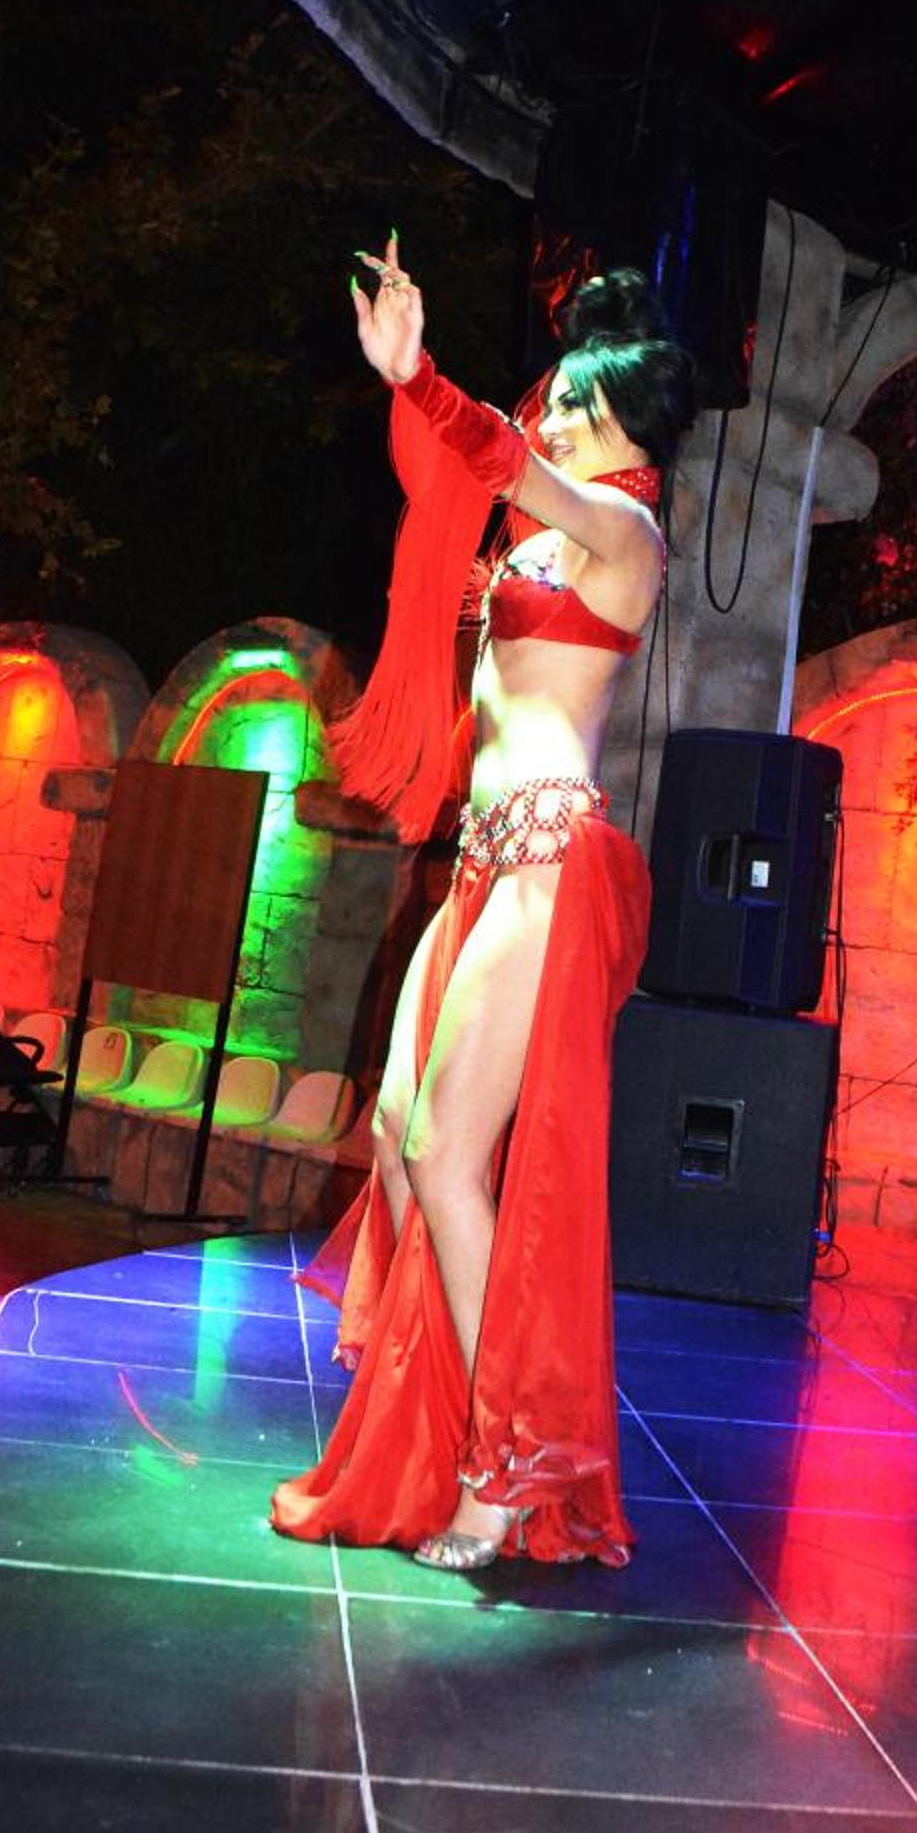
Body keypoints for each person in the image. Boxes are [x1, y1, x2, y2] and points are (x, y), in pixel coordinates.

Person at [271, 236, 694, 1569]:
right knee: (398, 1137)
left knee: (452, 1155)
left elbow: (500, 460)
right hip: (485, 860)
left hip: (552, 859)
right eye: (554, 398)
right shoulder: (545, 537)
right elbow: (468, 478)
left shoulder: (624, 534)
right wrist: (409, 393)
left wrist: (426, 380)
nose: (553, 416)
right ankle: (453, 1425)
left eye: (578, 405)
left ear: (630, 426)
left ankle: (506, 1473)